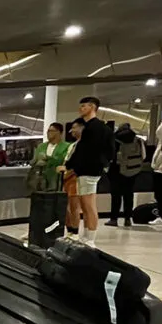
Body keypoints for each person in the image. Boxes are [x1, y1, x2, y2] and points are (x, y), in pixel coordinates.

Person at [62, 97, 112, 246]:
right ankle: (87, 236)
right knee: (86, 204)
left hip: (88, 171)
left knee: (88, 204)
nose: (81, 108)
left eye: (84, 106)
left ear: (92, 107)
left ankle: (90, 238)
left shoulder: (93, 128)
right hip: (90, 170)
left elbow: (85, 151)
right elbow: (110, 151)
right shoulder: (103, 128)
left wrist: (71, 166)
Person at [106, 123, 146, 227]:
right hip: (132, 169)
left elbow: (110, 154)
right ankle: (127, 219)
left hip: (117, 170)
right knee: (129, 194)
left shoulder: (115, 139)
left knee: (116, 195)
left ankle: (114, 219)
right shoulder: (137, 139)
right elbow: (144, 155)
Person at [28, 123, 70, 192]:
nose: (49, 133)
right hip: (41, 181)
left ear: (59, 132)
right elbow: (34, 161)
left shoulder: (66, 146)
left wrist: (47, 158)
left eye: (52, 131)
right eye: (48, 131)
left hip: (57, 180)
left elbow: (62, 160)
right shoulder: (41, 146)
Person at [60, 119, 83, 236]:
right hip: (67, 180)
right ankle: (69, 230)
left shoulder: (84, 145)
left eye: (74, 128)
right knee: (66, 207)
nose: (71, 131)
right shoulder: (73, 145)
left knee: (74, 207)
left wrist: (68, 174)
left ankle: (75, 232)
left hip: (75, 179)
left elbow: (78, 164)